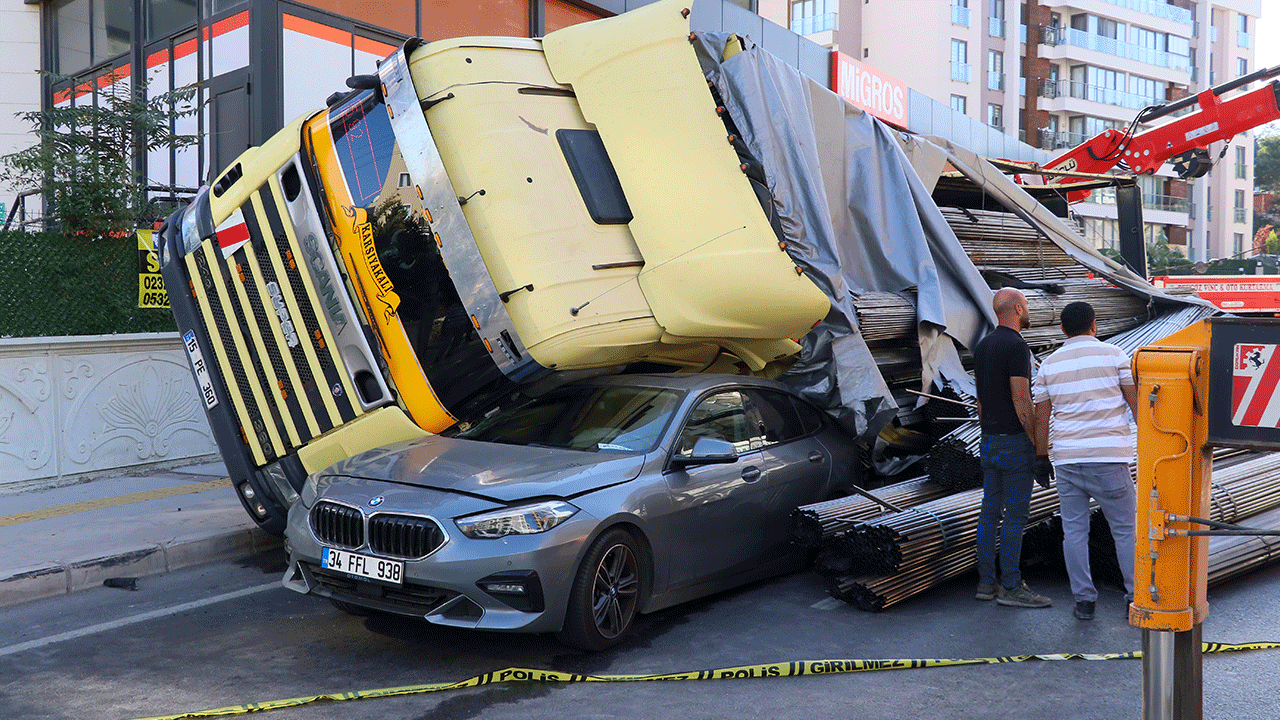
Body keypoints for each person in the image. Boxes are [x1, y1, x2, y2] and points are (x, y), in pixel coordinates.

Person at [1032, 301, 1138, 621]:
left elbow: (1042, 416)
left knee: (1074, 532)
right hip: (1108, 457)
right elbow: (1136, 405)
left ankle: (1084, 600)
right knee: (1125, 530)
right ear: (1094, 325)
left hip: (1067, 460)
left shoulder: (1049, 365)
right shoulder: (1116, 355)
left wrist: (1041, 456)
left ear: (1063, 330)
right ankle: (1134, 595)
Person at [973, 287, 1051, 608]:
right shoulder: (1017, 347)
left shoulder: (983, 346)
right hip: (1014, 444)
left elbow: (979, 403)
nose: (1028, 310)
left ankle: (986, 583)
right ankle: (1012, 586)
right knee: (1016, 516)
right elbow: (1022, 399)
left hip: (989, 440)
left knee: (989, 514)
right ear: (1018, 309)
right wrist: (1038, 447)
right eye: (1027, 305)